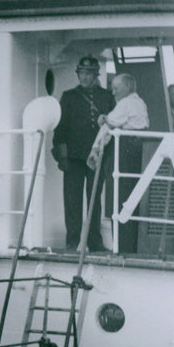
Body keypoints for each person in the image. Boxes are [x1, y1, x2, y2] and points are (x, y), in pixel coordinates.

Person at [51, 55, 113, 252]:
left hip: (97, 156)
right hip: (74, 158)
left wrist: (106, 156)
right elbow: (59, 129)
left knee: (94, 200)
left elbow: (111, 127)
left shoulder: (106, 97)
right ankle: (72, 241)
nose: (84, 77)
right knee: (72, 200)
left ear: (96, 75)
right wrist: (62, 157)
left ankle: (94, 241)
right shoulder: (69, 97)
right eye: (82, 73)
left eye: (89, 73)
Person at [89, 72, 149, 254]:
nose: (112, 93)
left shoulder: (126, 103)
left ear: (128, 87)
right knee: (130, 200)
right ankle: (129, 247)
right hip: (136, 154)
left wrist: (95, 149)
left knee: (119, 199)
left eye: (116, 88)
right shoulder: (140, 103)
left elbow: (108, 124)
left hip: (124, 154)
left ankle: (122, 248)